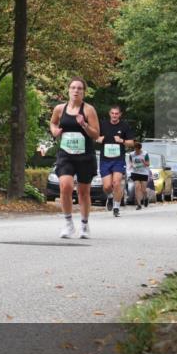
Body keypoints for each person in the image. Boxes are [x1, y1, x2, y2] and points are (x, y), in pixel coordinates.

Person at [49, 77, 101, 239]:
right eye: (73, 88)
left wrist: (84, 124)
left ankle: (84, 224)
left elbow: (96, 134)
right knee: (65, 186)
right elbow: (53, 123)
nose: (76, 91)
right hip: (66, 154)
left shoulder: (88, 110)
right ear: (68, 90)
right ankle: (68, 224)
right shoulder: (59, 108)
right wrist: (55, 131)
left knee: (83, 191)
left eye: (79, 88)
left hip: (85, 155)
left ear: (83, 92)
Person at [97, 105, 134, 218]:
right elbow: (94, 136)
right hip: (105, 159)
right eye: (112, 113)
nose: (114, 115)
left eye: (116, 113)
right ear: (109, 114)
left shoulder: (124, 126)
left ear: (120, 114)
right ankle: (110, 197)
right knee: (107, 186)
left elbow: (132, 143)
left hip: (118, 160)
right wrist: (98, 139)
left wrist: (122, 140)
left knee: (116, 183)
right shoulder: (102, 124)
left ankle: (116, 207)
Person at [127, 142, 150, 209]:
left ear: (140, 149)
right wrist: (131, 165)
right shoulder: (131, 154)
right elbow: (130, 161)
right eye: (135, 149)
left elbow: (148, 164)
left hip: (144, 173)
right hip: (135, 172)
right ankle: (139, 204)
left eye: (138, 150)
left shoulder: (145, 154)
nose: (136, 151)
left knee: (143, 190)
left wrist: (144, 162)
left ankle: (146, 198)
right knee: (137, 187)